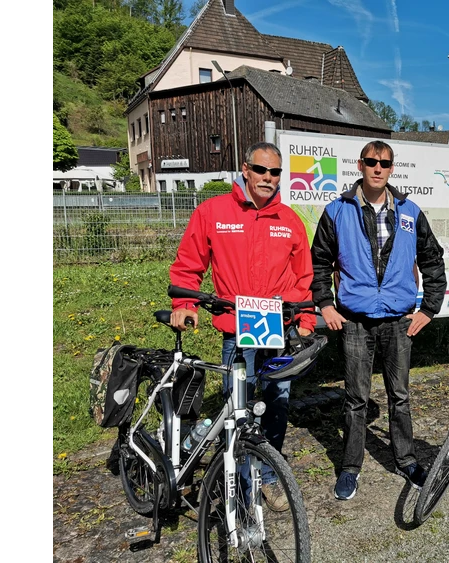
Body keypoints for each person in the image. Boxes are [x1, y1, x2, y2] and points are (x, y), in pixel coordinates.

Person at [169, 141, 315, 509]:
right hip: (237, 329)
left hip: (278, 331)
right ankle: (242, 483)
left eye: (275, 172)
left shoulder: (290, 219)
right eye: (261, 170)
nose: (268, 178)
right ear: (245, 170)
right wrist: (186, 303)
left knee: (277, 403)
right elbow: (189, 262)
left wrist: (306, 319)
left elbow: (304, 278)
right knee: (239, 407)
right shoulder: (213, 211)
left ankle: (268, 476)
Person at [310, 140, 447, 501]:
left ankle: (405, 459)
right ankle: (350, 467)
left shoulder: (409, 210)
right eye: (371, 162)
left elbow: (433, 260)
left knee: (399, 395)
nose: (377, 168)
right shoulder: (338, 210)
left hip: (399, 321)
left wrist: (429, 308)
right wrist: (325, 303)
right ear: (360, 165)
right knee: (356, 398)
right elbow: (319, 262)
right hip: (354, 321)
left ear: (391, 168)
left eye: (384, 163)